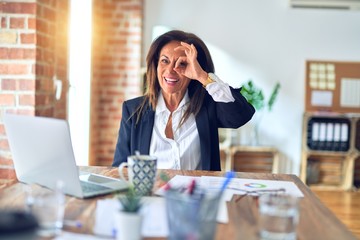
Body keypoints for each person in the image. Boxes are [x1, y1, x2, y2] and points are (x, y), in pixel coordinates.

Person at [112, 30, 255, 171]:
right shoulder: (133, 109)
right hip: (150, 193)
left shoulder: (207, 107)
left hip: (198, 193)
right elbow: (120, 167)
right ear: (155, 65)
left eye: (182, 63)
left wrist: (202, 76)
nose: (170, 70)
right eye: (164, 61)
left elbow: (240, 116)